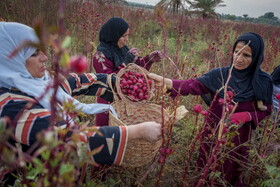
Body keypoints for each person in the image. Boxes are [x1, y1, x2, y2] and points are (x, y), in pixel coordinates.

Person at [0, 22, 161, 184]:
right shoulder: (8, 106)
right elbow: (71, 139)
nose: (45, 57)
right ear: (10, 59)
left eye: (42, 49)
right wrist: (138, 132)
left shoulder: (36, 81)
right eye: (34, 53)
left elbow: (79, 81)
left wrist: (125, 84)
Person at [148, 32, 273, 186]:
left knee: (230, 170)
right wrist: (165, 81)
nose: (239, 59)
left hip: (239, 137)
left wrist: (246, 116)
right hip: (212, 133)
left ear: (256, 58)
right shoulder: (219, 75)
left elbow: (266, 110)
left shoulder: (262, 81)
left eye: (246, 55)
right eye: (236, 52)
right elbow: (191, 85)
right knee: (207, 166)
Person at [92, 17, 162, 126]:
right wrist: (125, 62)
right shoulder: (100, 55)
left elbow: (135, 71)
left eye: (128, 35)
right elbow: (109, 80)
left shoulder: (123, 49)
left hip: (125, 103)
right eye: (124, 36)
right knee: (105, 134)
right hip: (107, 103)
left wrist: (148, 60)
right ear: (114, 35)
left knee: (123, 136)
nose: (127, 39)